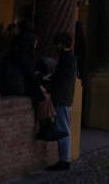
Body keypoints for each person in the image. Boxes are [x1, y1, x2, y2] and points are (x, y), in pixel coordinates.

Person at [45, 32, 77, 172]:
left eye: (57, 44)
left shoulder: (66, 58)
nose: (55, 47)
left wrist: (49, 80)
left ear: (62, 44)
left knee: (63, 128)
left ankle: (65, 160)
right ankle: (64, 159)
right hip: (64, 97)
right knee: (63, 127)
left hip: (62, 97)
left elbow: (61, 78)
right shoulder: (69, 57)